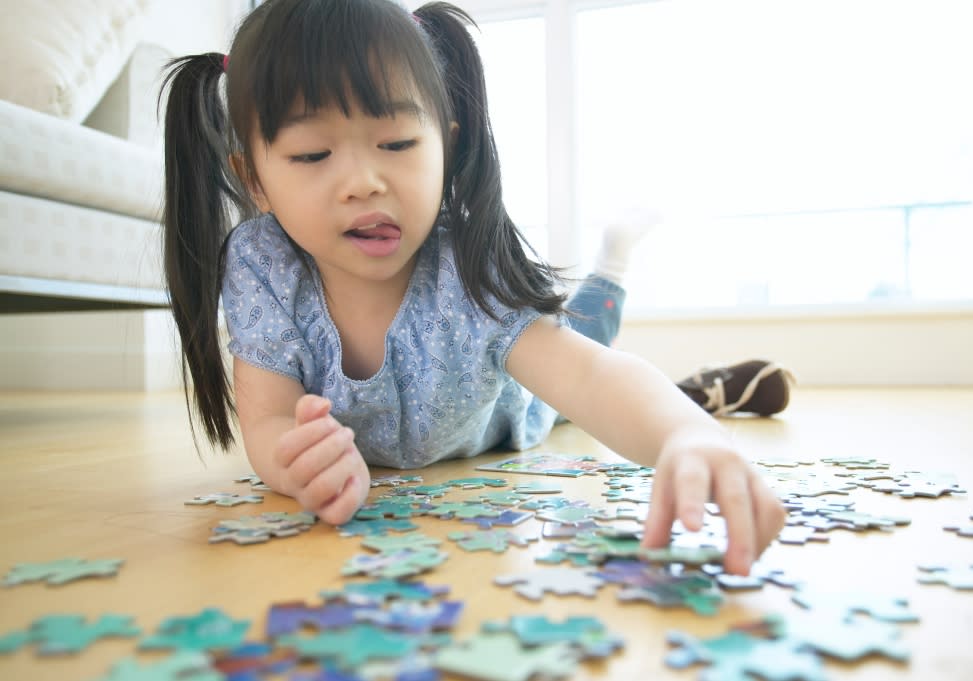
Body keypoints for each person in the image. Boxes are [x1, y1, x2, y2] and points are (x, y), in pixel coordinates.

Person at [160, 0, 784, 575]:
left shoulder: (465, 262)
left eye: (398, 143)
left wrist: (688, 436)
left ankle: (613, 269)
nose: (363, 182)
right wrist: (295, 465)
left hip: (518, 404)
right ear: (255, 180)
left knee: (585, 340)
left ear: (446, 145)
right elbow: (267, 419)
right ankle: (692, 386)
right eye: (312, 155)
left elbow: (591, 377)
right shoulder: (262, 266)